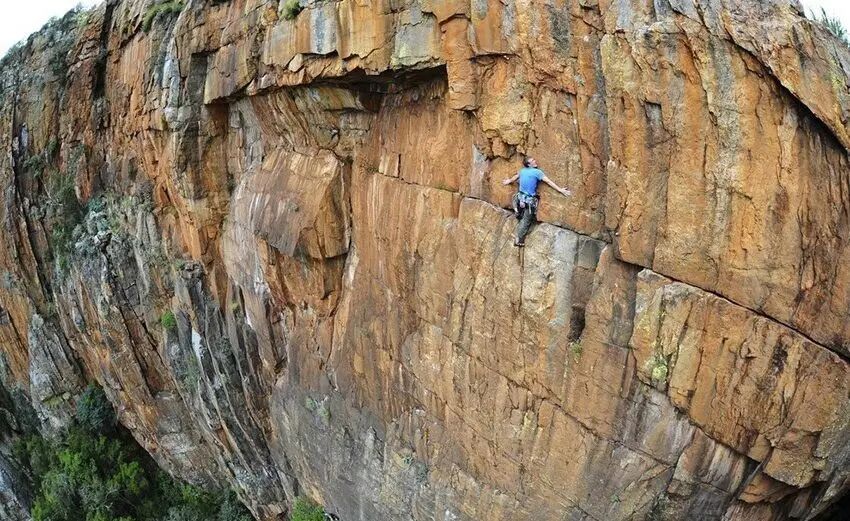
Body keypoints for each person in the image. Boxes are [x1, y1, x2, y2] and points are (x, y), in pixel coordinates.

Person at [502, 157, 571, 247]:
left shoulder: (522, 171)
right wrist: (560, 190)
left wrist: (509, 181)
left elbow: (515, 177)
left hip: (519, 199)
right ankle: (519, 240)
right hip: (529, 201)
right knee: (526, 220)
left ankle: (519, 216)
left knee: (521, 214)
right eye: (532, 161)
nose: (535, 161)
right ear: (529, 164)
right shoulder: (537, 172)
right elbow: (548, 182)